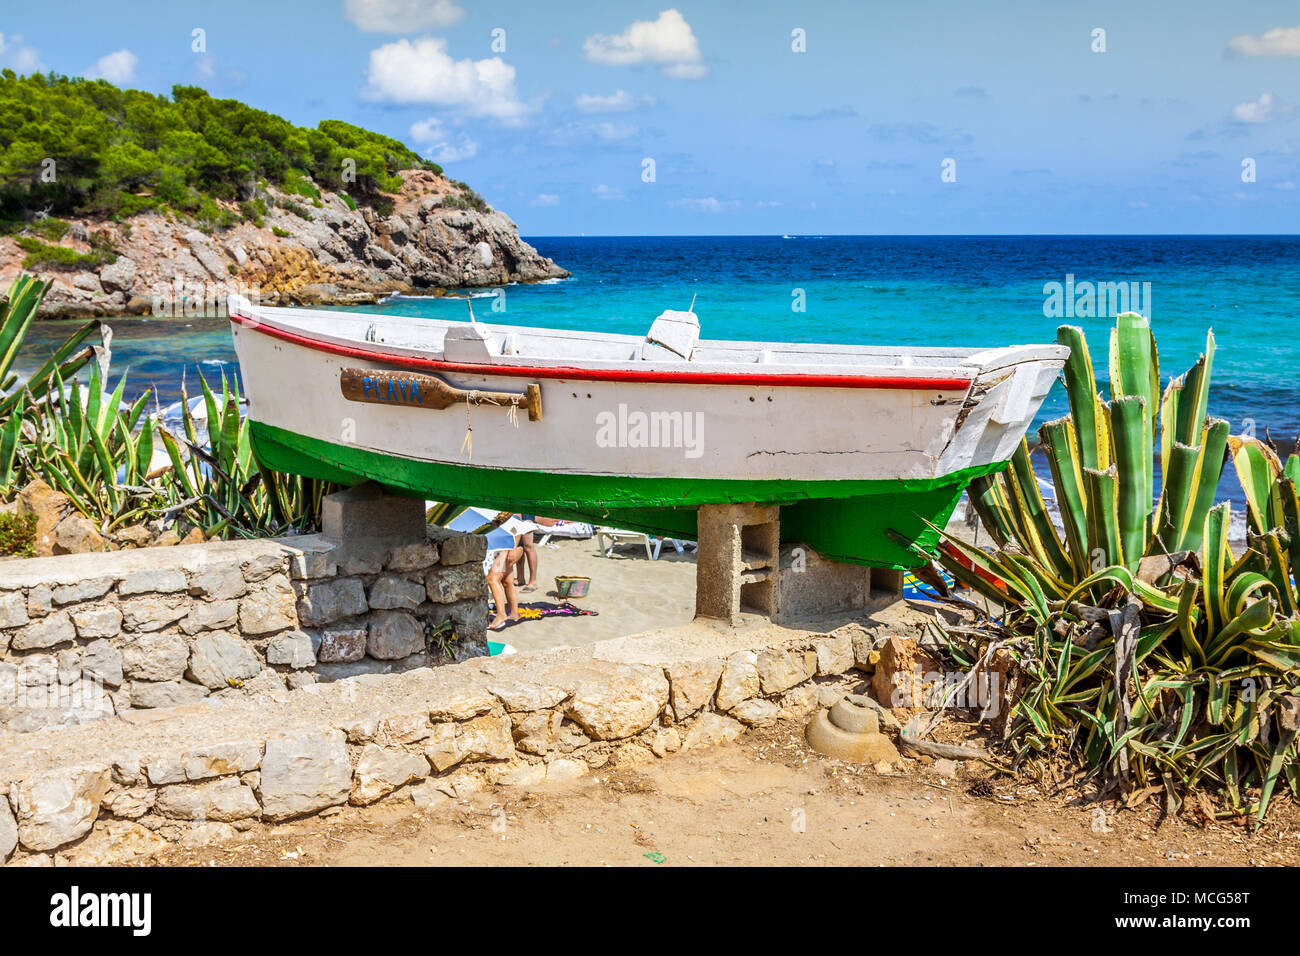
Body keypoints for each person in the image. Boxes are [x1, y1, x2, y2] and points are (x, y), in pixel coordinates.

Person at [514, 515, 558, 592]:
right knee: (519, 545)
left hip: (526, 513)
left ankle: (533, 582)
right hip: (515, 513)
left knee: (528, 546)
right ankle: (520, 578)